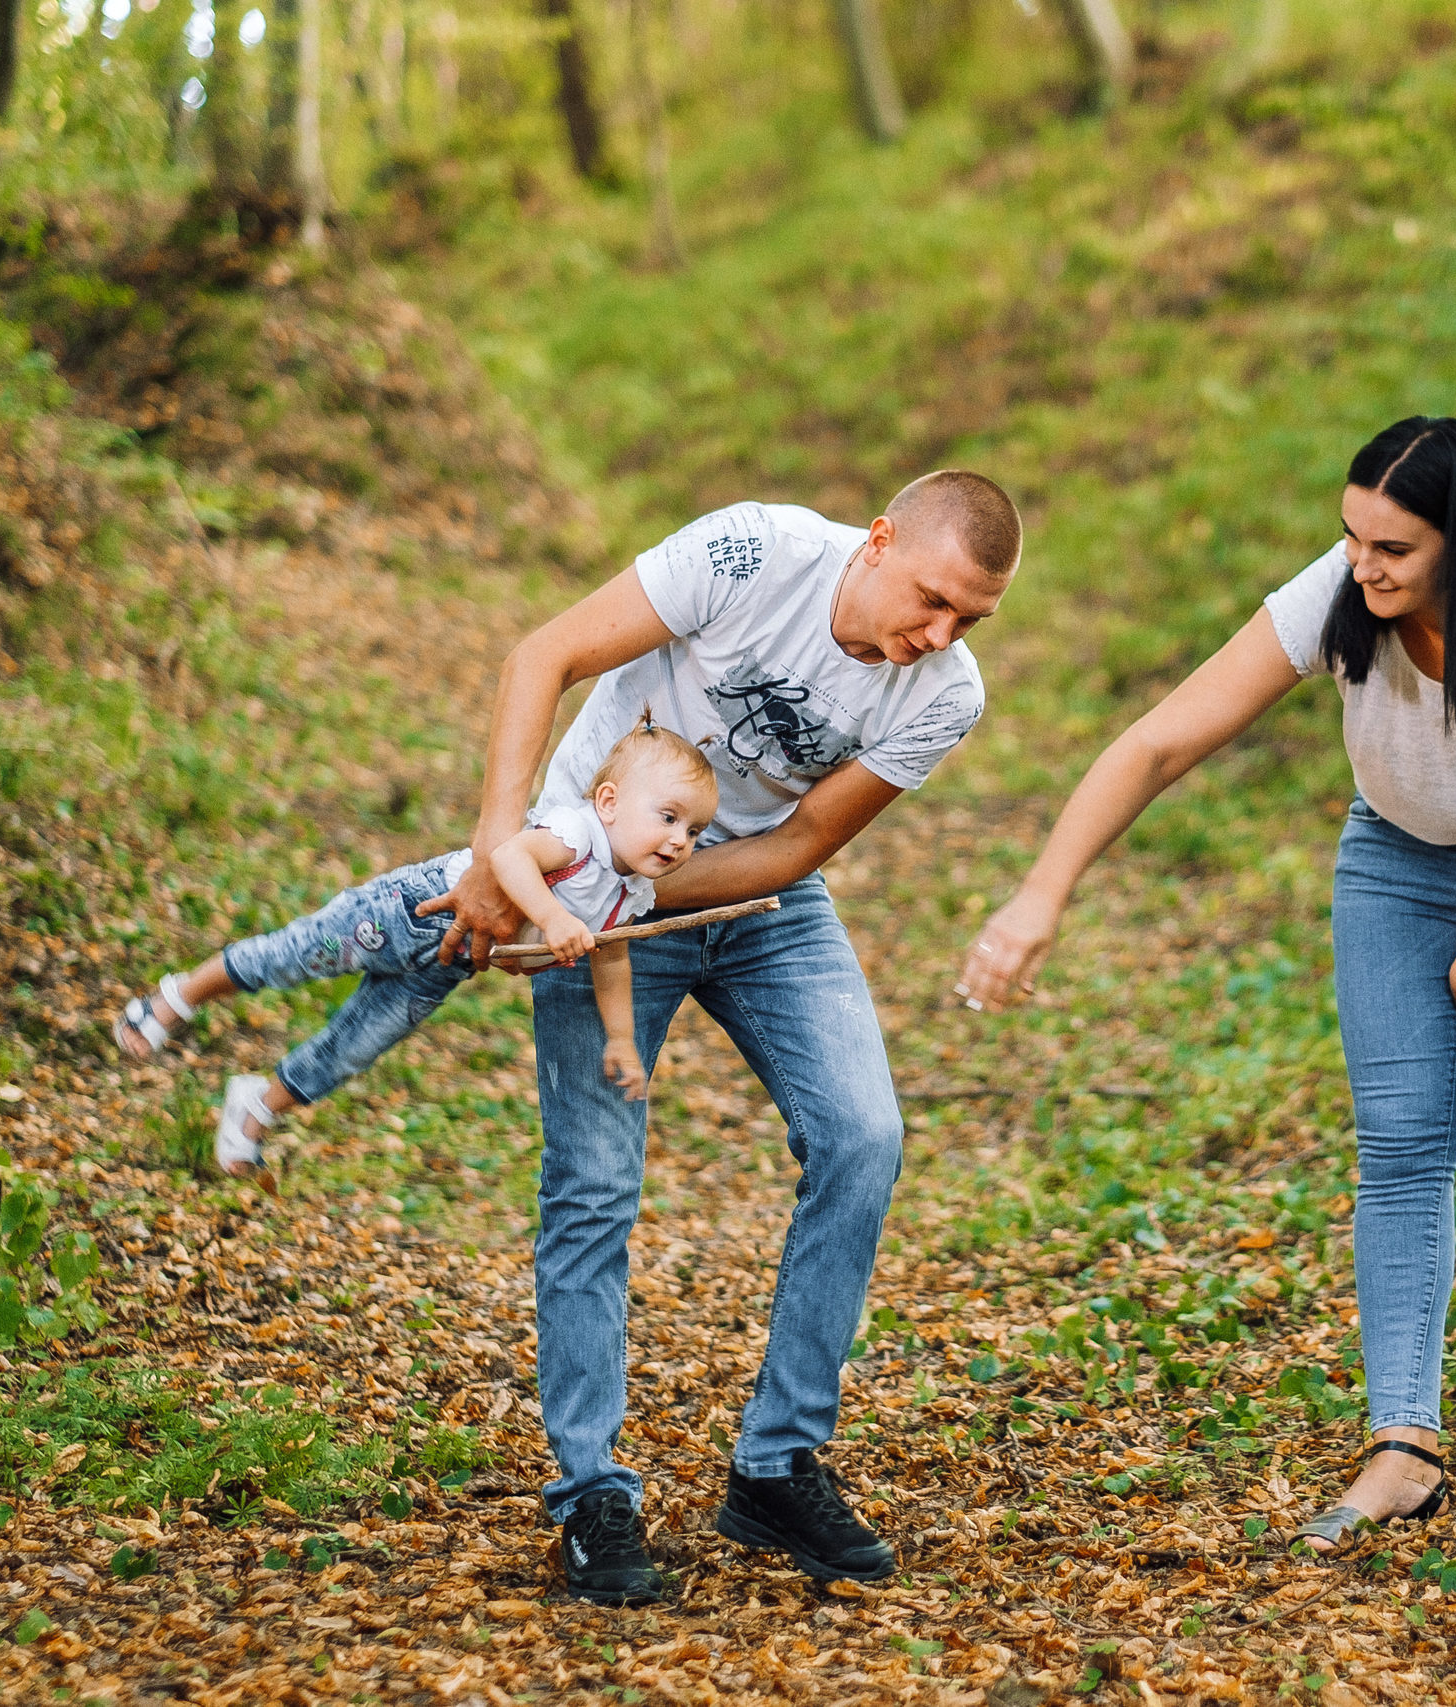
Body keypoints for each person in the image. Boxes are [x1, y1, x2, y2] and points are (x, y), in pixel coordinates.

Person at [955, 418, 1456, 1559]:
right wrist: (1041, 895)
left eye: (1393, 548)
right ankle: (1404, 1447)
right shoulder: (1337, 594)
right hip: (1395, 862)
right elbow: (1161, 742)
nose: (1363, 566)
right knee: (1402, 1146)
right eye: (1351, 536)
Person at [426, 471, 1022, 1604]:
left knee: (863, 1137)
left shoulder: (947, 692)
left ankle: (777, 1466)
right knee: (594, 1184)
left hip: (754, 902)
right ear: (878, 540)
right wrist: (508, 858)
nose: (940, 635)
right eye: (932, 600)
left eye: (970, 621)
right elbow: (541, 657)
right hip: (593, 870)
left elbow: (798, 847)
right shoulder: (753, 554)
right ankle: (591, 1492)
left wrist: (650, 899)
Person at [112, 719, 715, 1175]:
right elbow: (509, 856)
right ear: (608, 802)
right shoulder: (577, 834)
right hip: (412, 910)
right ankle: (174, 999)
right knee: (292, 955)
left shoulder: (631, 892)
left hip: (449, 963)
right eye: (667, 817)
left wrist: (619, 1038)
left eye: (693, 831)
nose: (678, 840)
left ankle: (257, 1106)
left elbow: (612, 957)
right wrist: (553, 918)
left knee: (358, 1044)